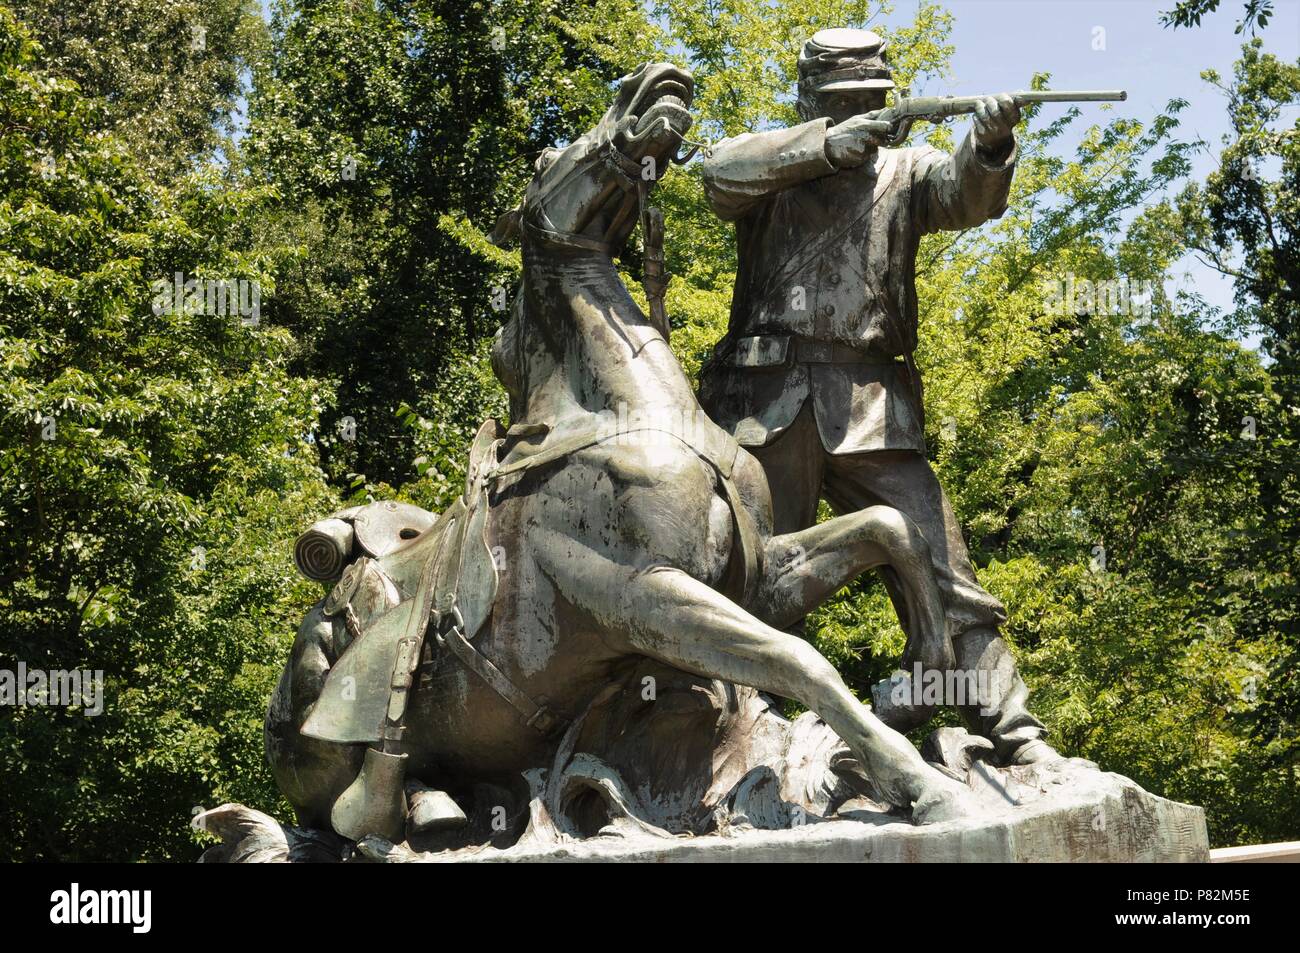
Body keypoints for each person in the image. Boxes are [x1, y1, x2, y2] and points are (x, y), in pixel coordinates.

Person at [698, 27, 1060, 764]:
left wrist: (987, 147)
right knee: (738, 573)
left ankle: (1014, 732)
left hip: (869, 403)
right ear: (809, 103)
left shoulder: (907, 169)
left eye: (867, 101)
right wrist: (825, 147)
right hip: (761, 405)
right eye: (840, 103)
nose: (856, 112)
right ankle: (724, 740)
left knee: (939, 559)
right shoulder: (773, 167)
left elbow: (965, 195)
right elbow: (716, 174)